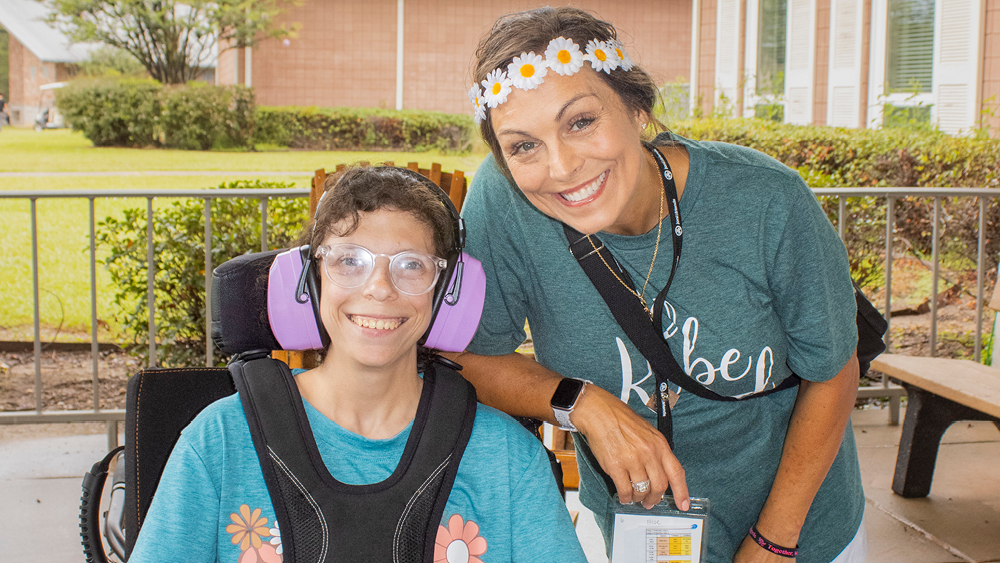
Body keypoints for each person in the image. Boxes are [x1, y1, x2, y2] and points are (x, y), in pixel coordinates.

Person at [454, 7, 866, 563]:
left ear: (636, 109)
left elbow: (835, 370)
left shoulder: (767, 201)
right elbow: (469, 359)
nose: (562, 167)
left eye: (580, 122)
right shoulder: (503, 206)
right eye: (523, 145)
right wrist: (583, 404)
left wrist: (774, 542)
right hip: (641, 540)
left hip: (802, 530)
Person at [128, 166, 587, 562]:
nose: (380, 288)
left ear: (450, 294)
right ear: (309, 280)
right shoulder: (221, 441)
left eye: (411, 265)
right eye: (350, 261)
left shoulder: (507, 461)